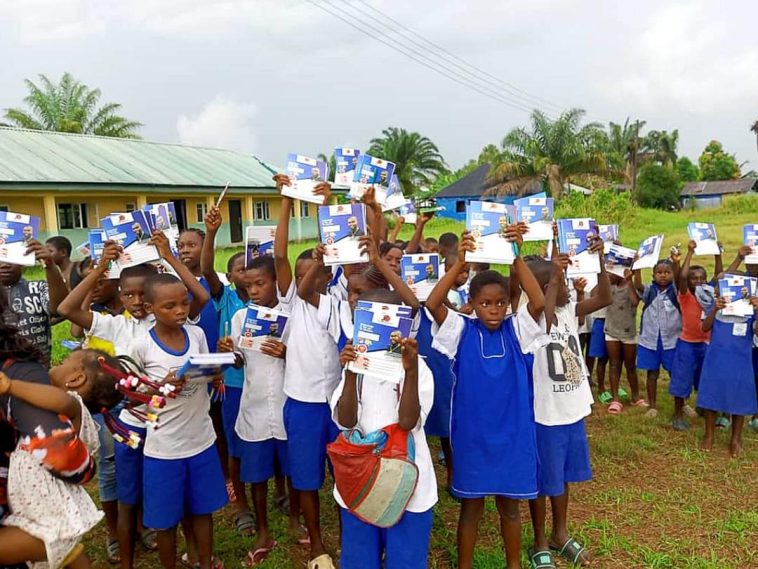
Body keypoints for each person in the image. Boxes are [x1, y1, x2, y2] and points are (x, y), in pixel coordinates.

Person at [58, 233, 207, 569]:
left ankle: (194, 554)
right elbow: (66, 309)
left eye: (143, 294)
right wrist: (99, 269)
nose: (137, 301)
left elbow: (199, 295)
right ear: (119, 295)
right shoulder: (114, 326)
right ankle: (126, 560)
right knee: (128, 500)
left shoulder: (171, 318)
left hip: (172, 429)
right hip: (134, 428)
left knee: (177, 499)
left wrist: (168, 255)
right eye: (128, 294)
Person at [426, 227, 547, 569]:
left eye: (499, 303)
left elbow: (538, 302)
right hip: (474, 438)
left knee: (510, 508)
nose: (493, 309)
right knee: (471, 508)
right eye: (484, 303)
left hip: (512, 437)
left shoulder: (518, 329)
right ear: (473, 304)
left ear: (508, 303)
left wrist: (515, 255)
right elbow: (433, 303)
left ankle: (514, 564)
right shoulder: (461, 330)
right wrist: (459, 263)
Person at [129, 273, 226, 569]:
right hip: (164, 449)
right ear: (149, 308)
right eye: (170, 306)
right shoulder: (141, 346)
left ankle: (204, 562)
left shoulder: (196, 335)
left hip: (201, 440)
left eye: (184, 303)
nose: (181, 311)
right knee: (165, 521)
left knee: (202, 511)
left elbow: (206, 372)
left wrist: (216, 372)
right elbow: (130, 398)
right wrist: (160, 387)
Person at [334, 293, 436, 569]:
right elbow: (346, 420)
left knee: (406, 559)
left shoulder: (419, 367)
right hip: (360, 480)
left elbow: (407, 422)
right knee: (359, 558)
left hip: (407, 483)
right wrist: (351, 372)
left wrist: (411, 371)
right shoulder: (356, 367)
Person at [526, 242, 611, 569]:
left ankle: (560, 533)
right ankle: (539, 540)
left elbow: (603, 298)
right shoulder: (532, 317)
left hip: (571, 409)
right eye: (554, 283)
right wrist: (555, 279)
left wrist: (600, 260)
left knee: (562, 476)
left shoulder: (568, 311)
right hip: (544, 413)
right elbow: (543, 318)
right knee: (542, 479)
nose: (562, 286)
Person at [272, 173, 338, 569]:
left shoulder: (338, 302)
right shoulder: (292, 303)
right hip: (303, 406)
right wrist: (286, 199)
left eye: (317, 271)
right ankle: (316, 542)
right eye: (301, 274)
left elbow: (336, 248)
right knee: (307, 479)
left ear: (331, 275)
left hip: (338, 404)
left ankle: (352, 531)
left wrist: (324, 206)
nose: (307, 278)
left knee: (345, 472)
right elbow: (281, 256)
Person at [220, 254, 301, 566]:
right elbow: (241, 360)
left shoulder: (291, 316)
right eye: (248, 285)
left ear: (275, 283)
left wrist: (285, 353)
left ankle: (295, 519)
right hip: (253, 408)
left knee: (292, 470)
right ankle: (263, 530)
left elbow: (303, 358)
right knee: (256, 475)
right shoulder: (242, 318)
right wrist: (231, 353)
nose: (253, 290)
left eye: (260, 284)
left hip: (284, 406)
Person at [201, 205, 255, 536]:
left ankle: (277, 490)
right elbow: (206, 269)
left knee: (271, 442)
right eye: (239, 269)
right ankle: (241, 505)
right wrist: (211, 232)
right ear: (230, 276)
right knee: (235, 445)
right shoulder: (226, 299)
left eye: (251, 267)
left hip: (269, 384)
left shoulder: (272, 301)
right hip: (234, 385)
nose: (246, 273)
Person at [696, 292, 758, 457]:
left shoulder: (750, 311)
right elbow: (704, 327)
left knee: (740, 397)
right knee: (712, 394)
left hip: (741, 360)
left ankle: (736, 438)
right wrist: (715, 308)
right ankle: (709, 435)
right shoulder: (717, 307)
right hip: (716, 359)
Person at [669, 240, 715, 430]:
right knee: (682, 378)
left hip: (706, 344)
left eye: (701, 278)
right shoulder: (685, 295)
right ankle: (677, 413)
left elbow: (721, 275)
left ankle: (705, 407)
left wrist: (719, 254)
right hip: (687, 343)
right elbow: (682, 277)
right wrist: (690, 253)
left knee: (706, 377)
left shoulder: (711, 295)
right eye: (693, 278)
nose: (698, 281)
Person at [0, 240, 67, 364]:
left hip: (36, 371)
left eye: (11, 259)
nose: (5, 265)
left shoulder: (38, 288)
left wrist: (50, 266)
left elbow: (59, 309)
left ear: (22, 262)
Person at [633, 259, 682, 417]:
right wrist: (638, 266)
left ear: (673, 274)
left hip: (672, 340)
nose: (663, 276)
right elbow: (638, 285)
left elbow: (681, 279)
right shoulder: (650, 290)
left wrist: (677, 263)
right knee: (652, 373)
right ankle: (652, 405)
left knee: (676, 373)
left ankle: (681, 405)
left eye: (667, 272)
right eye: (659, 273)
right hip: (650, 340)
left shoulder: (675, 291)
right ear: (653, 275)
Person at [604, 269, 642, 414]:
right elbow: (597, 295)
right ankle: (615, 399)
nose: (608, 276)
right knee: (614, 364)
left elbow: (634, 301)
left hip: (628, 332)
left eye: (610, 273)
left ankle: (635, 397)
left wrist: (629, 281)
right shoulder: (609, 287)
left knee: (630, 366)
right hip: (611, 331)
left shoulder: (628, 287)